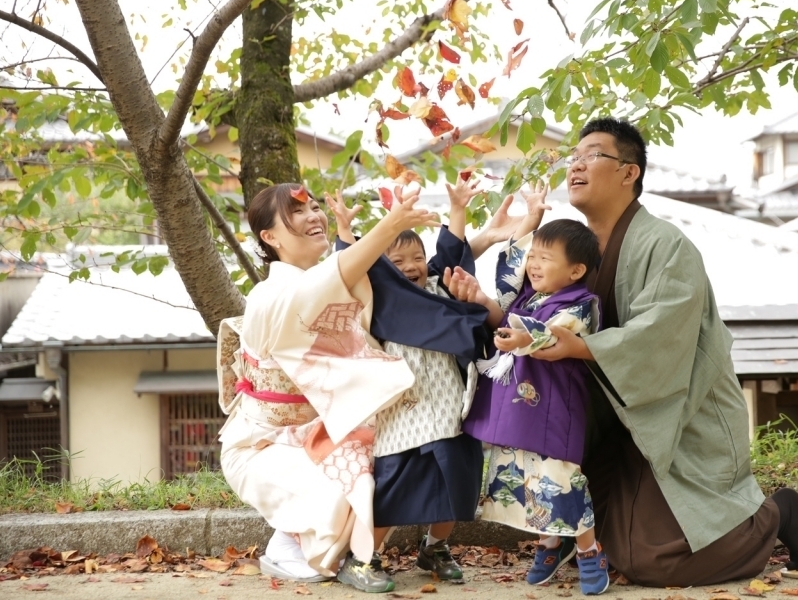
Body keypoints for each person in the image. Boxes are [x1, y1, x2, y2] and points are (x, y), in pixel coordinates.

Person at [447, 118, 798, 587]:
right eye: (574, 156)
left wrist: (579, 345)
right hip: (597, 423)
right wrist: (482, 303)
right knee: (607, 540)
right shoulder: (567, 248)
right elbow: (522, 311)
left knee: (655, 562)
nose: (577, 165)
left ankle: (778, 512)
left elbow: (659, 335)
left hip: (673, 420)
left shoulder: (665, 245)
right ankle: (574, 536)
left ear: (630, 172)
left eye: (593, 154)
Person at [216, 183, 441, 593]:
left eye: (314, 207)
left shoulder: (316, 280)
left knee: (399, 451)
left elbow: (347, 278)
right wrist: (390, 225)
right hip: (264, 447)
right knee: (355, 482)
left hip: (315, 434)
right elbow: (327, 282)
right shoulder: (270, 295)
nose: (314, 216)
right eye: (298, 212)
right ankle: (289, 542)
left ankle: (314, 543)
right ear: (270, 237)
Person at [324, 178, 490, 582]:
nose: (411, 267)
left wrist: (457, 209)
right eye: (397, 263)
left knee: (458, 488)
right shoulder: (379, 301)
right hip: (403, 416)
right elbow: (356, 269)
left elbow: (452, 256)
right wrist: (345, 232)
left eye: (417, 257)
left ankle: (434, 549)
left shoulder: (438, 290)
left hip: (451, 410)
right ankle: (362, 559)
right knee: (393, 494)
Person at [452, 194, 610, 595]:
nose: (534, 264)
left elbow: (555, 334)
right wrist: (480, 299)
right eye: (533, 256)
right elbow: (504, 307)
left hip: (555, 407)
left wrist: (521, 336)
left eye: (546, 258)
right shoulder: (528, 297)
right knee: (522, 477)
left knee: (560, 479)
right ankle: (549, 544)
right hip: (520, 408)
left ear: (576, 270)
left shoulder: (583, 304)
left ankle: (590, 551)